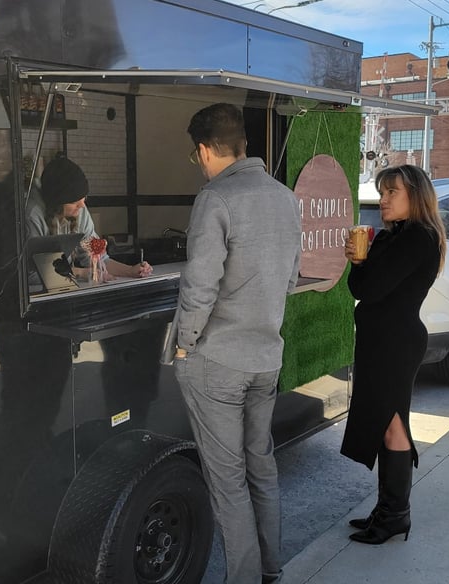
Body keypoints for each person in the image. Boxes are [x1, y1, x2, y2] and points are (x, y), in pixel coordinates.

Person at [172, 103, 301, 584]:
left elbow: (200, 285)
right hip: (266, 357)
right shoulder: (285, 198)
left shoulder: (215, 198)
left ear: (205, 150)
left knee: (227, 483)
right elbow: (290, 279)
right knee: (260, 466)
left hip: (218, 361)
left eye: (196, 156)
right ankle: (270, 569)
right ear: (242, 145)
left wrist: (184, 345)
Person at [342, 164, 446, 545]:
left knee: (393, 425)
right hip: (382, 342)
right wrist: (360, 263)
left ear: (414, 196)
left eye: (391, 192)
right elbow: (360, 286)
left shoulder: (418, 237)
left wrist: (361, 265)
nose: (383, 200)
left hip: (395, 344)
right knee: (385, 423)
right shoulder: (396, 236)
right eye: (382, 192)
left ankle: (395, 514)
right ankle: (387, 509)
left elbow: (369, 288)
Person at [25, 156, 152, 281]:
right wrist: (81, 273)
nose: (82, 206)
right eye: (74, 202)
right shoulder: (32, 215)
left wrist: (130, 271)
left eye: (84, 199)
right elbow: (31, 274)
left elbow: (99, 259)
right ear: (57, 203)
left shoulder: (80, 210)